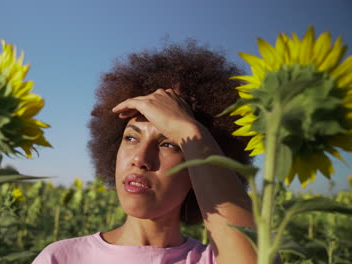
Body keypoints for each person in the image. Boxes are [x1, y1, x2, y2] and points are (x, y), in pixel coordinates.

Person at [33, 40, 256, 264]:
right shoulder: (62, 258)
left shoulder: (215, 259)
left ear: (197, 170)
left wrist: (190, 130)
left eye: (169, 144)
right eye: (131, 138)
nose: (140, 159)